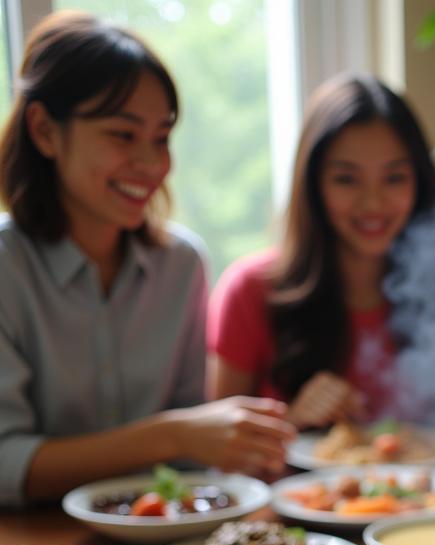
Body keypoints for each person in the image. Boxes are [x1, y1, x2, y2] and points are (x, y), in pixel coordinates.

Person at [0, 11, 294, 506]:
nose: (153, 163)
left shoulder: (181, 265)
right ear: (45, 131)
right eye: (123, 134)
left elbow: (190, 461)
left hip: (163, 542)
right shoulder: (8, 269)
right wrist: (175, 435)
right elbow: (6, 465)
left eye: (162, 138)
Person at [208, 74, 435, 429]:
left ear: (419, 182)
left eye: (394, 178)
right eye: (346, 179)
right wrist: (294, 420)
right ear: (314, 185)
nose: (372, 203)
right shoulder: (251, 289)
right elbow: (219, 462)